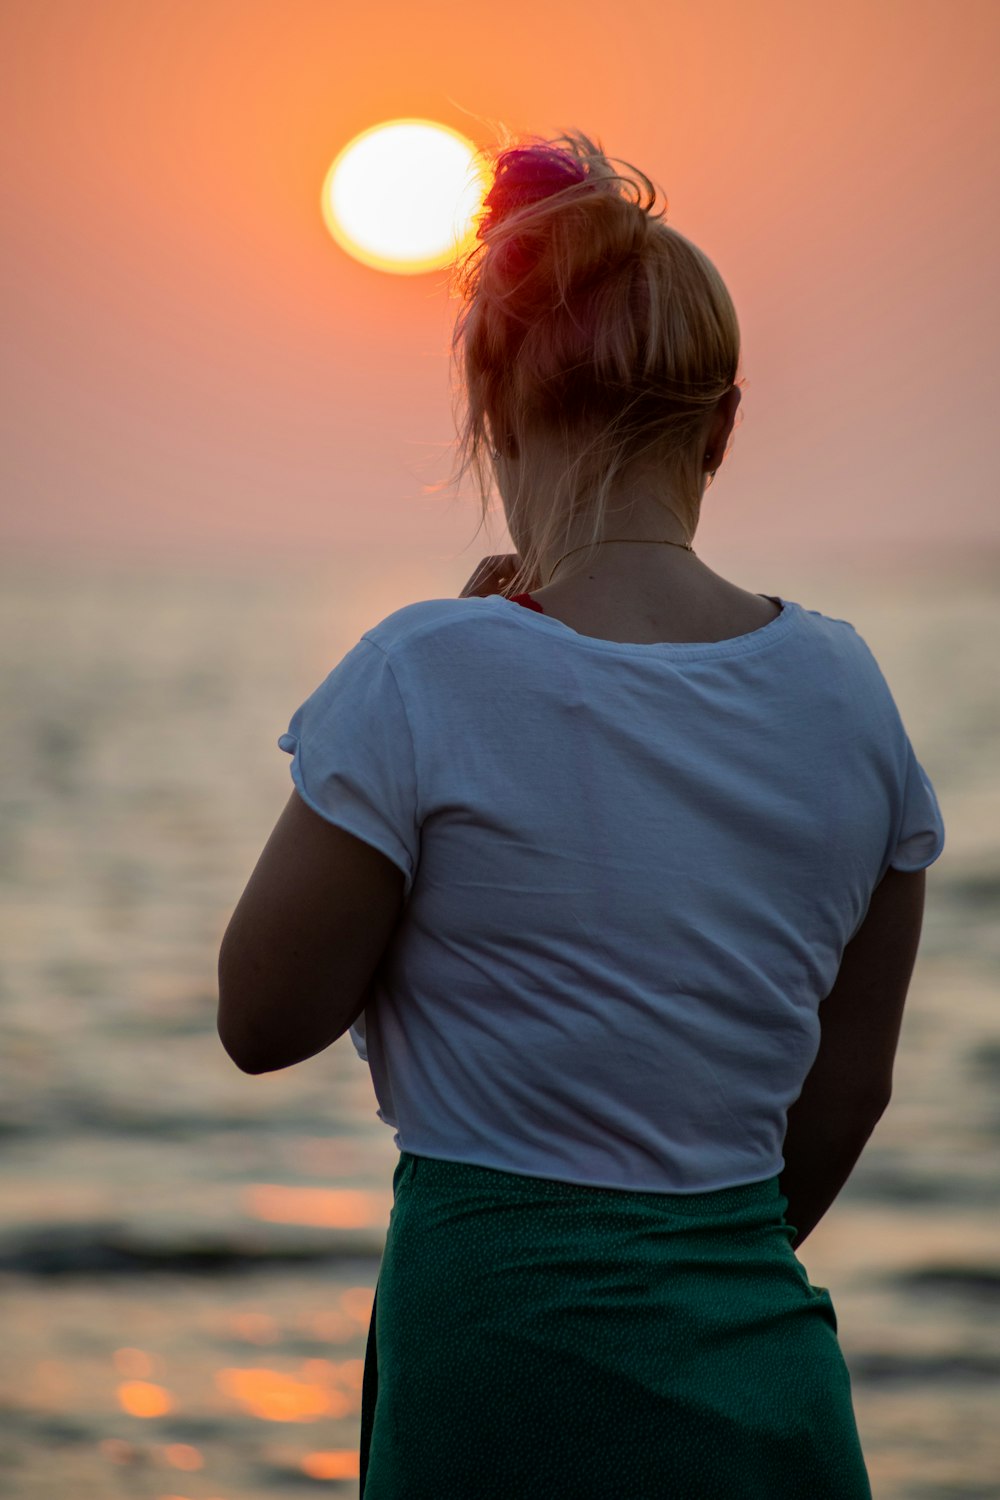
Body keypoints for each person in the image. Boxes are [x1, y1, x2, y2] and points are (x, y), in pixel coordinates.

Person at [265, 130, 945, 1496]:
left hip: (500, 1381)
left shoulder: (427, 666)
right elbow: (849, 1088)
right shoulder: (845, 687)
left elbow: (260, 1015)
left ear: (492, 413)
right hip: (763, 1373)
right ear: (725, 424)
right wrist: (683, 1272)